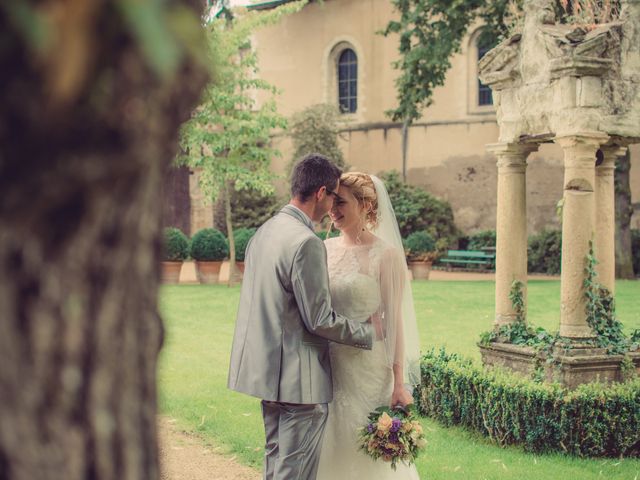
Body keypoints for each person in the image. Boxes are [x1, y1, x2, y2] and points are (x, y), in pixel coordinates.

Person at [227, 154, 375, 480]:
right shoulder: (307, 242)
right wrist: (366, 333)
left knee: (275, 466)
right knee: (293, 475)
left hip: (267, 376)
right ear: (321, 192)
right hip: (301, 385)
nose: (334, 204)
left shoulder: (264, 232)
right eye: (333, 195)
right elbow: (319, 318)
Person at [316, 172, 421, 479]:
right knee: (330, 443)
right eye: (332, 201)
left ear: (365, 205)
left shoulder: (385, 255)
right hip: (328, 364)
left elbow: (395, 322)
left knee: (365, 447)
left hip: (368, 368)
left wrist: (399, 382)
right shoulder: (324, 248)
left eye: (341, 202)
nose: (332, 209)